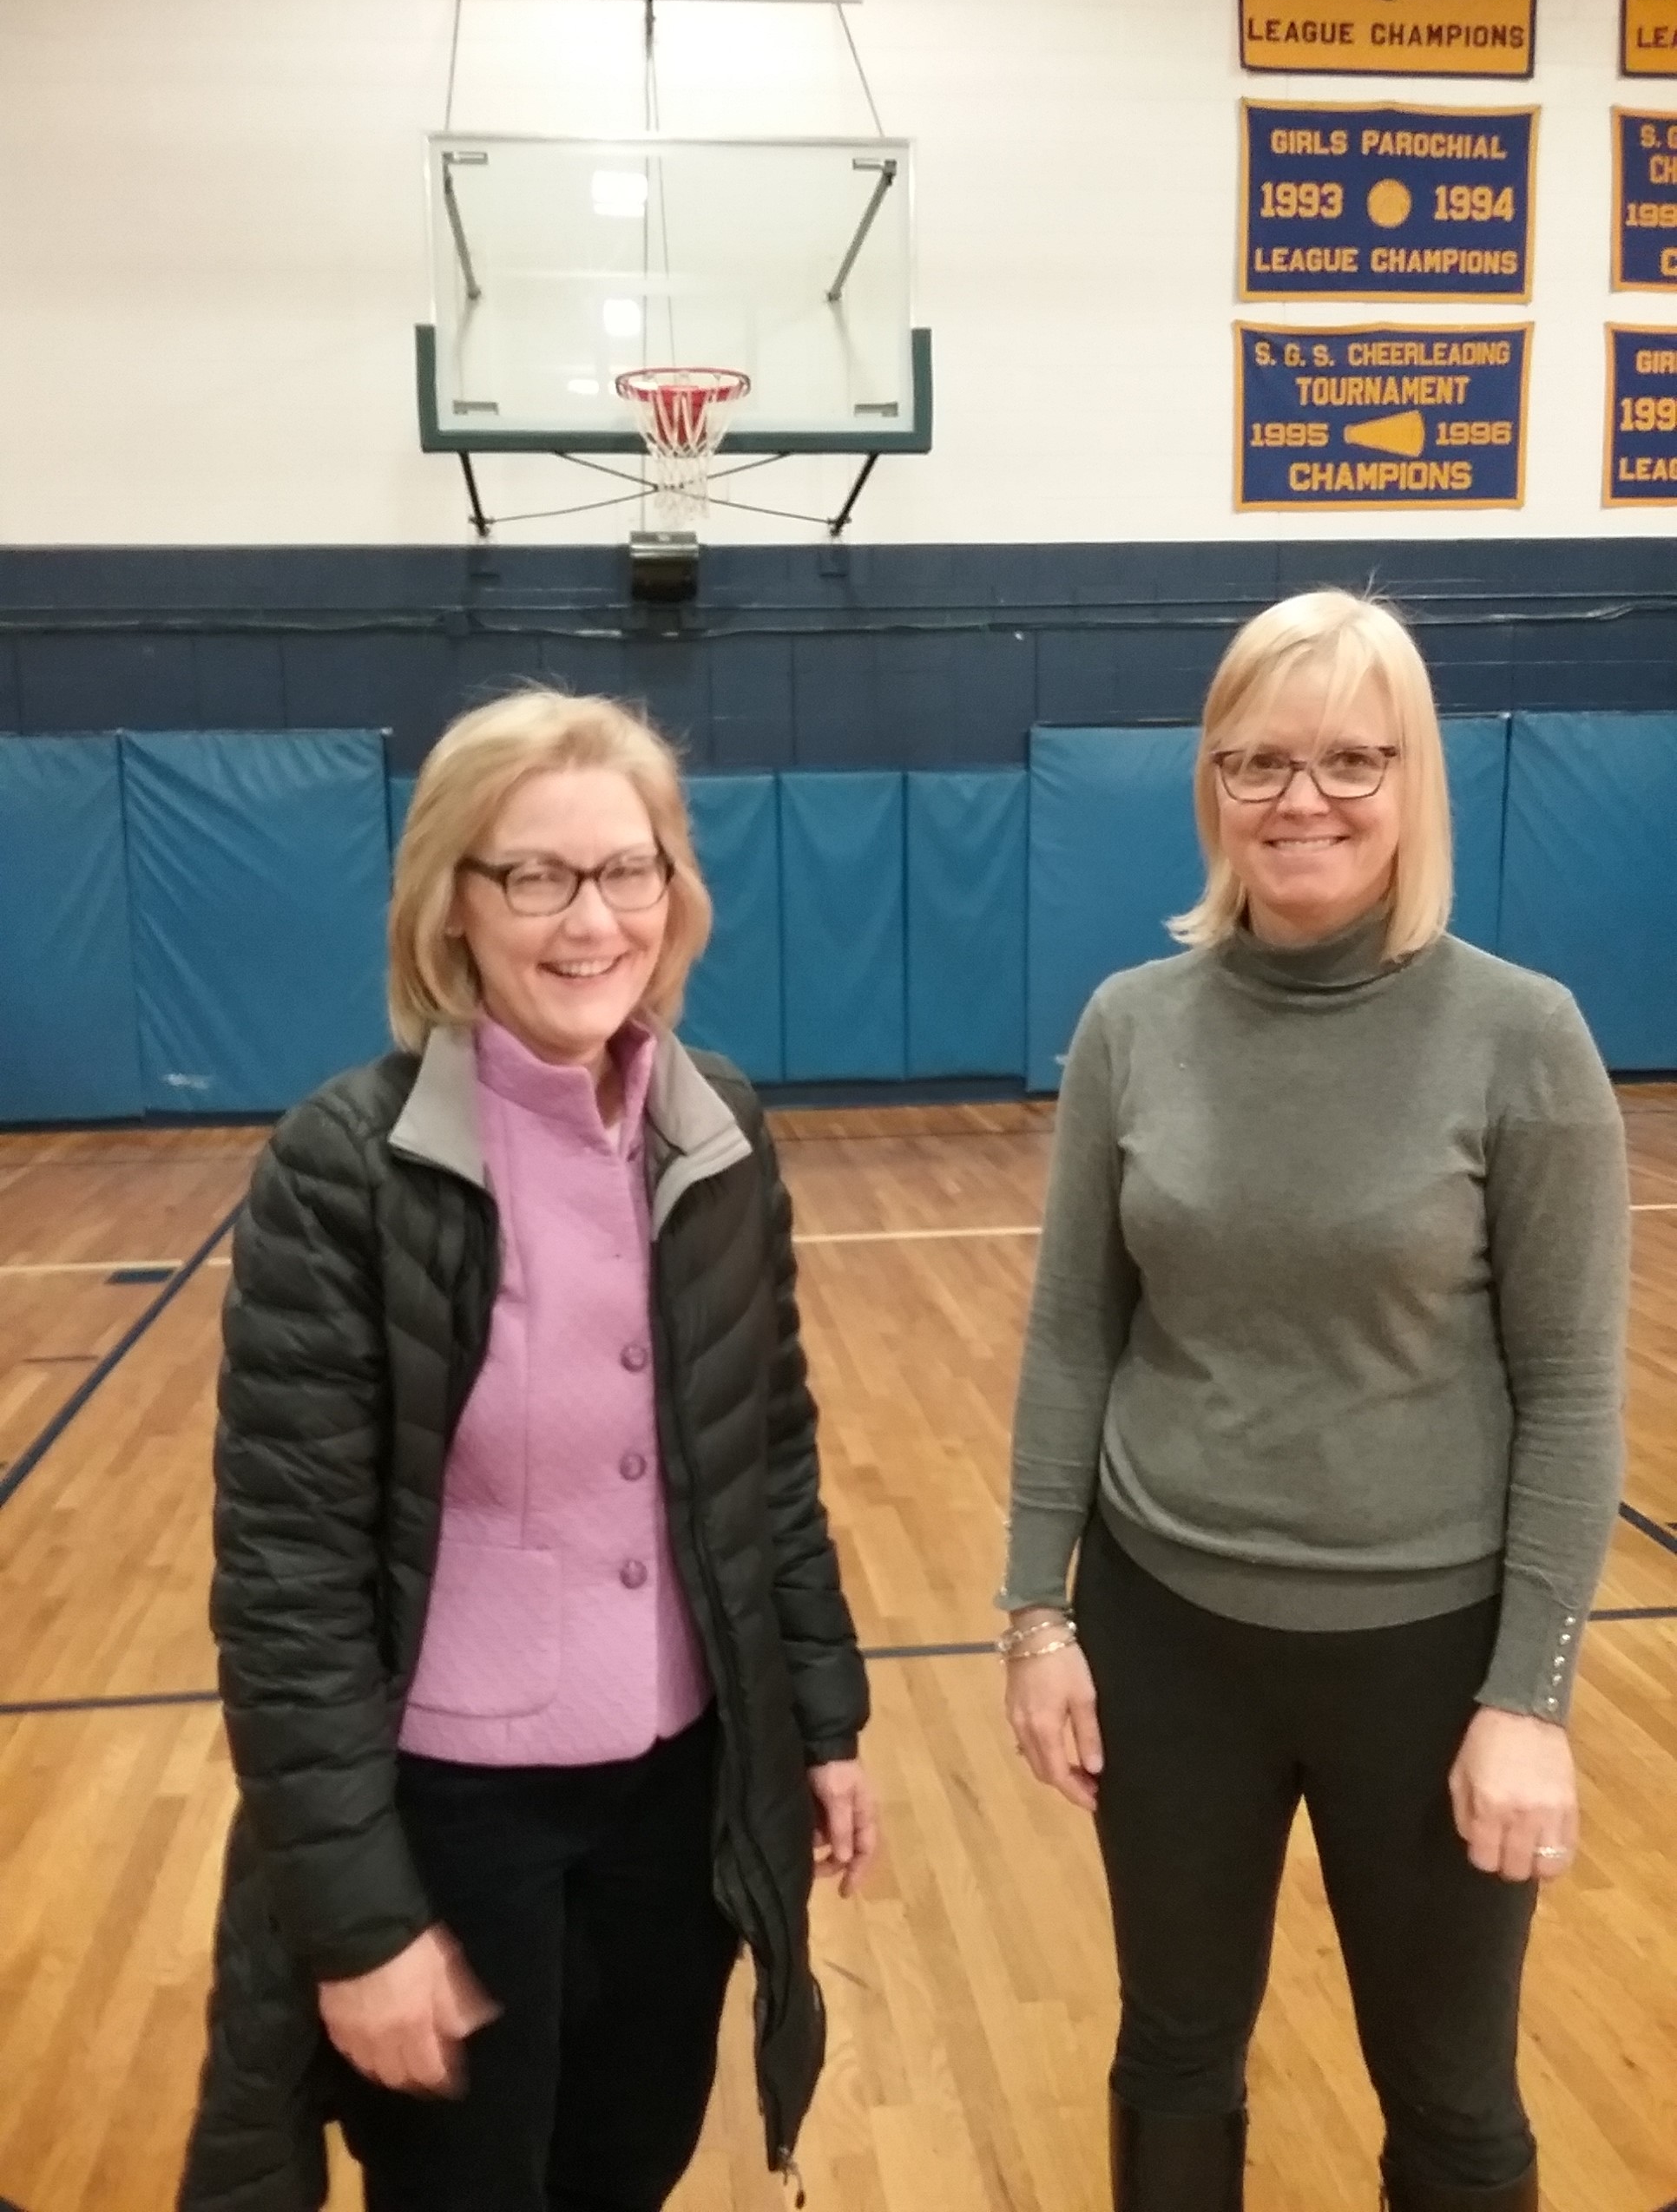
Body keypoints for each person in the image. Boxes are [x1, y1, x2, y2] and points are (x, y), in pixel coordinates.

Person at [179, 690, 878, 2212]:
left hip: (677, 1799)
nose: (591, 920)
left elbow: (768, 1458)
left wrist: (821, 1722)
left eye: (629, 871)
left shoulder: (721, 1133)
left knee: (628, 2163)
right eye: (537, 876)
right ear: (453, 906)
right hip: (453, 1810)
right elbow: (287, 1588)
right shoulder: (342, 1168)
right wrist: (361, 1926)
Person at [1000, 592, 1629, 2212]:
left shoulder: (1523, 1037)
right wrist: (1034, 1619)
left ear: (1415, 780)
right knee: (1174, 2053)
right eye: (1260, 760)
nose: (1305, 798)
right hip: (1169, 1634)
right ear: (1212, 785)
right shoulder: (1131, 1029)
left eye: (1353, 758)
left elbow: (1569, 1396)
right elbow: (1074, 1336)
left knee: (1451, 2097)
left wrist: (1532, 1698)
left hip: (1430, 1662)